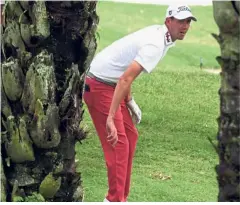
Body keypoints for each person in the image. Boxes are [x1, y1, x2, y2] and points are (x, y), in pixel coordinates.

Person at [83, 4, 197, 202]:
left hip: (111, 85)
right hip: (99, 86)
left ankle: (120, 198)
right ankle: (114, 199)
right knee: (118, 144)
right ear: (168, 21)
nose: (185, 26)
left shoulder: (163, 38)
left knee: (130, 135)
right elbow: (125, 79)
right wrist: (110, 117)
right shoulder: (155, 44)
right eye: (180, 21)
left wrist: (129, 101)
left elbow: (125, 73)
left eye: (188, 21)